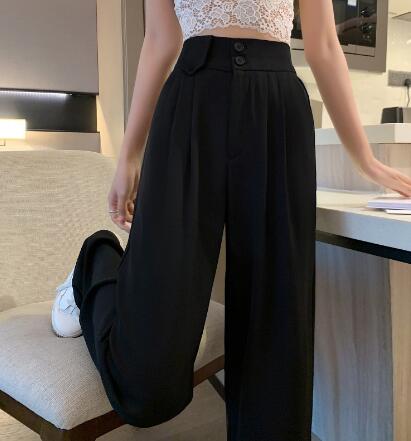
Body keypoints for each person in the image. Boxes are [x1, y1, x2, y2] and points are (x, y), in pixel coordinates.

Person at [50, 0, 411, 440]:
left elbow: (323, 45)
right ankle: (95, 264)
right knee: (146, 380)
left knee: (277, 347)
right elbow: (161, 38)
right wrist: (128, 155)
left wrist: (366, 160)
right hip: (190, 105)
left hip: (278, 112)